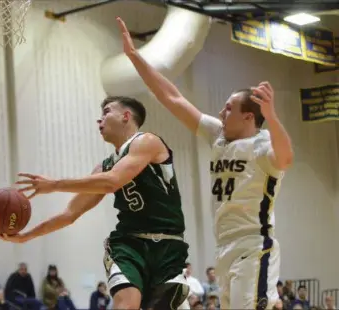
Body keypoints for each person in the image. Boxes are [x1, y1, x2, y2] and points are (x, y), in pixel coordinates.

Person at [114, 15, 293, 310]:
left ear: (249, 116)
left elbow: (287, 157)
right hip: (223, 246)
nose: (222, 112)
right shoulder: (218, 136)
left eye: (229, 107)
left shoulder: (263, 146)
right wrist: (135, 57)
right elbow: (172, 97)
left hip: (253, 244)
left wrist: (272, 117)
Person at [0, 96, 189, 309]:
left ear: (126, 116)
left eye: (106, 112)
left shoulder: (147, 141)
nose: (99, 119)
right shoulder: (104, 167)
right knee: (127, 303)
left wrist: (54, 184)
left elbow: (113, 182)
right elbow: (69, 214)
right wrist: (25, 237)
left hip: (168, 244)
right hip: (129, 244)